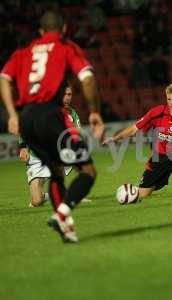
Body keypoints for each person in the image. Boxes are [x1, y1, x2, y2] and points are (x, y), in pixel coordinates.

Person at [0, 10, 104, 242]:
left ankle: (66, 229)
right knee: (88, 172)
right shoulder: (66, 47)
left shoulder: (22, 52)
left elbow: (4, 79)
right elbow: (87, 78)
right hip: (51, 116)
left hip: (27, 118)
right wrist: (95, 111)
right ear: (65, 29)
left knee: (56, 172)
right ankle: (62, 213)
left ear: (40, 32)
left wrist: (11, 114)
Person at [19, 84, 91, 207]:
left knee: (79, 159)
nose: (67, 98)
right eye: (64, 94)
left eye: (69, 94)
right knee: (37, 201)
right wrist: (23, 147)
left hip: (58, 154)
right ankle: (48, 196)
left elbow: (76, 134)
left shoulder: (72, 113)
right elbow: (26, 126)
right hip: (37, 157)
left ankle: (76, 194)